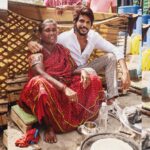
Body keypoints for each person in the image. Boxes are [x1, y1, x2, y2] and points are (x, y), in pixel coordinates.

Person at [19, 19, 104, 143]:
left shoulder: (62, 49)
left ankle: (83, 117)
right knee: (40, 83)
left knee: (92, 78)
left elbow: (72, 70)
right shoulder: (36, 49)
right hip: (46, 86)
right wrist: (64, 89)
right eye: (48, 30)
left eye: (54, 30)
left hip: (64, 82)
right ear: (40, 34)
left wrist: (83, 71)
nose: (52, 33)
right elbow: (39, 73)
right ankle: (49, 126)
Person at [28, 7, 130, 105]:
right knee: (90, 72)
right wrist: (31, 43)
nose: (84, 25)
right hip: (70, 72)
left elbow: (115, 49)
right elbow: (46, 41)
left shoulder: (93, 37)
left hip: (86, 68)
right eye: (81, 21)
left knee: (111, 57)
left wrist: (125, 71)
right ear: (75, 22)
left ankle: (111, 99)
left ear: (91, 25)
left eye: (88, 22)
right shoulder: (64, 38)